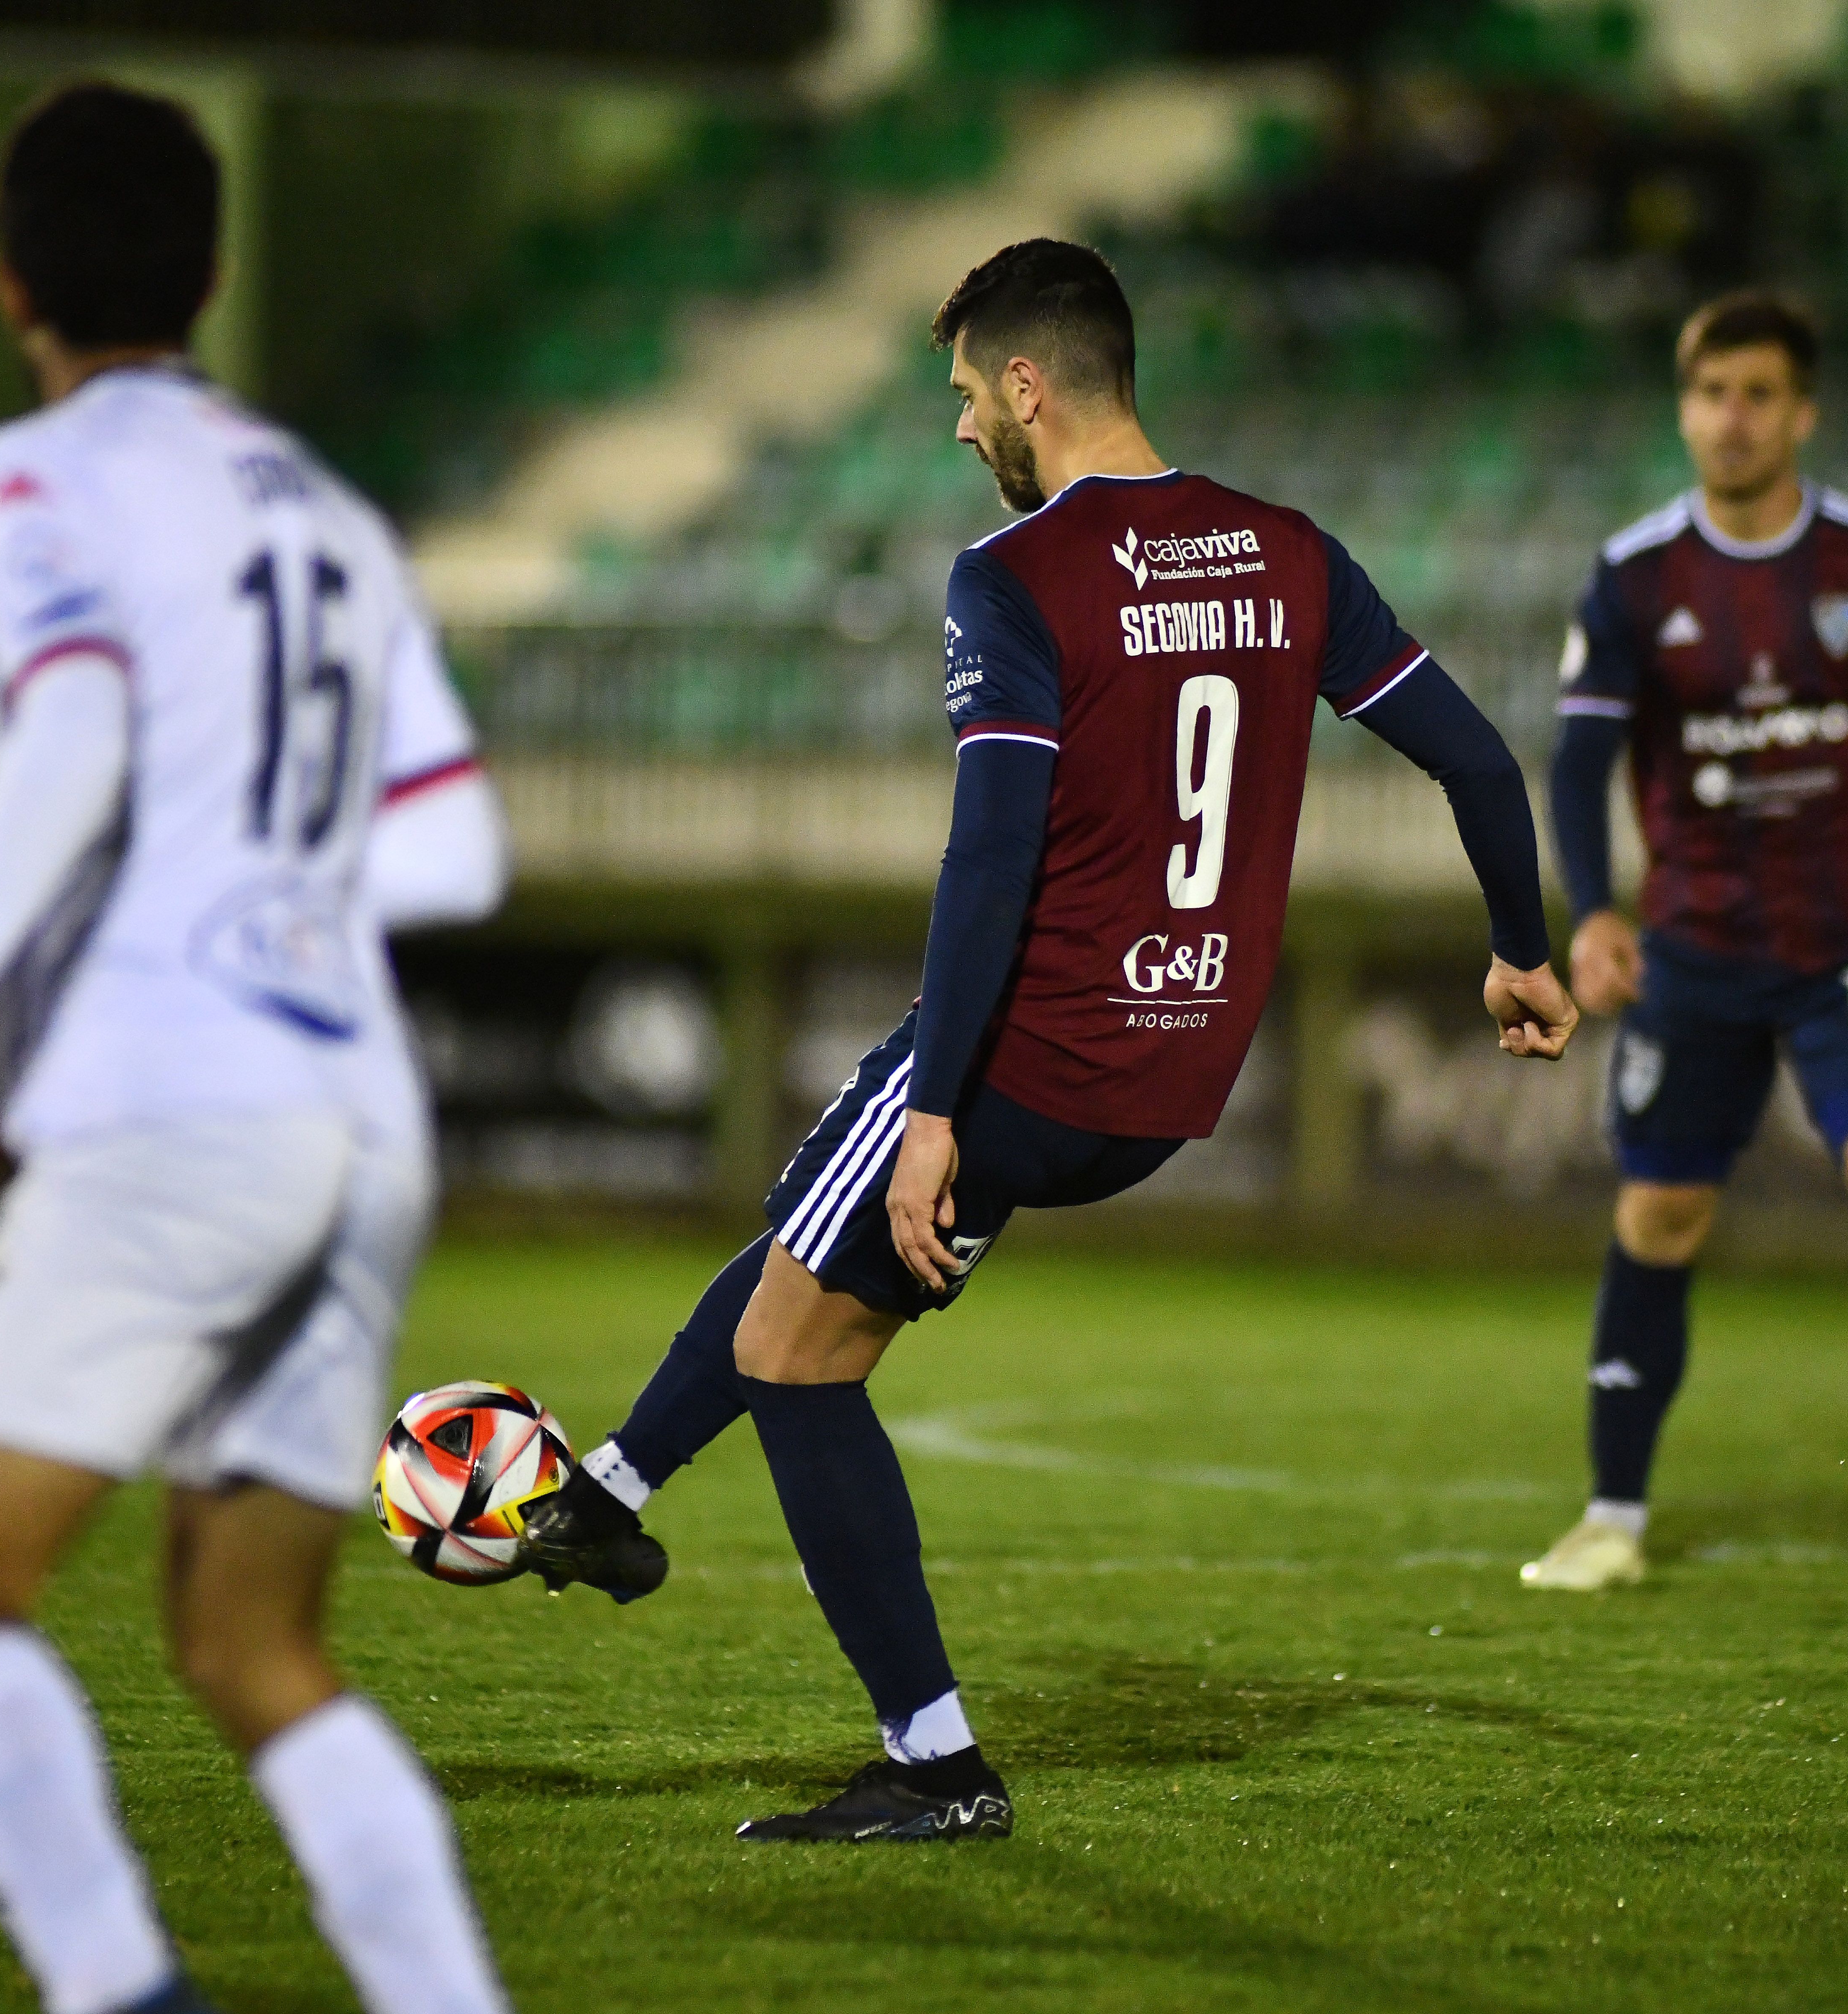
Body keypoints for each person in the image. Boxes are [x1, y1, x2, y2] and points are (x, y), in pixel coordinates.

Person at [517, 237, 1579, 1842]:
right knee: (809, 1263)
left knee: (796, 1352)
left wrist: (939, 1106)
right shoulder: (1289, 552)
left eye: (963, 394)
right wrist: (1518, 951)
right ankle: (608, 1498)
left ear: (1029, 384)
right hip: (1171, 1075)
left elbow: (992, 854)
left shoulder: (1012, 578)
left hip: (1028, 1047)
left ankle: (934, 1764)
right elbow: (1484, 768)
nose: (959, 431)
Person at [0, 83, 512, 2014]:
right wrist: (273, 892)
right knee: (253, 1653)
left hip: (179, 1102)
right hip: (360, 1119)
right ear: (213, 273)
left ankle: (121, 1996)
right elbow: (457, 841)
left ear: (5, 283)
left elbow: (71, 735)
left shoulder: (33, 474)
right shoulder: (325, 507)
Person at [1523, 292, 1848, 1596]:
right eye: (1712, 394)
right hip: (1694, 952)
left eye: (1759, 395)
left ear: (1801, 413)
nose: (1734, 418)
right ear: (1685, 408)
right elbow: (1579, 757)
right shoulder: (1637, 573)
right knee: (1660, 1208)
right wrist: (1592, 910)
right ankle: (1611, 1515)